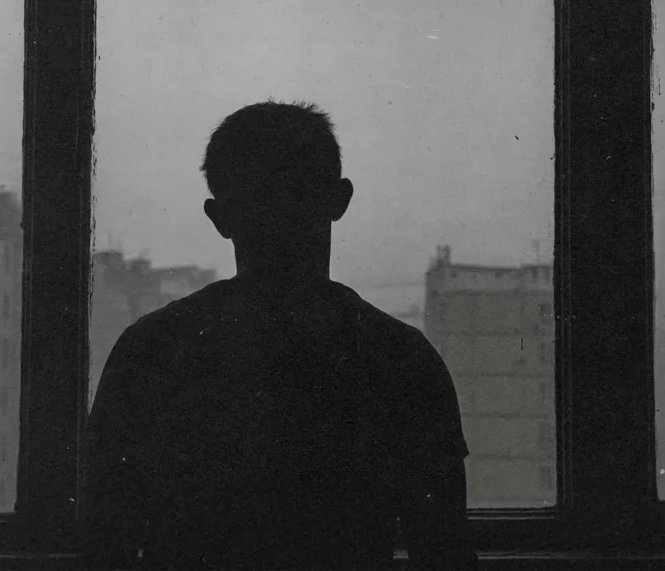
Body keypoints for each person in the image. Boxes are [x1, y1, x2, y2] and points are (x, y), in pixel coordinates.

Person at [82, 100, 478, 570]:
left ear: (219, 217)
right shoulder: (401, 358)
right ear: (339, 199)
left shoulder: (151, 350)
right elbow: (443, 550)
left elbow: (106, 544)